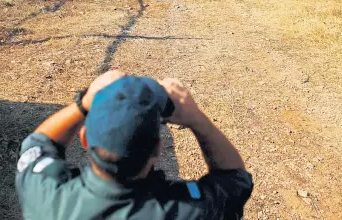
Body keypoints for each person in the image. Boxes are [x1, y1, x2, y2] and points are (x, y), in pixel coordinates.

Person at [16, 70, 253, 219]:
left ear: (85, 138)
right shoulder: (194, 211)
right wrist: (197, 119)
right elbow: (235, 180)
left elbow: (37, 144)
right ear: (158, 148)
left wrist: (83, 103)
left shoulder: (47, 198)